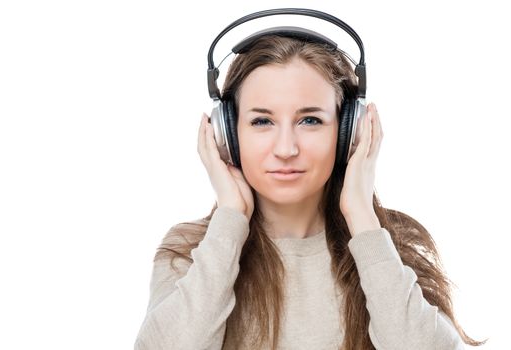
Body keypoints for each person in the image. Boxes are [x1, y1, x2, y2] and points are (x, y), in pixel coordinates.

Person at [134, 13, 486, 350]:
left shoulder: (392, 245)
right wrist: (231, 217)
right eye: (262, 122)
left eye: (310, 121)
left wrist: (362, 218)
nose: (286, 148)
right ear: (227, 134)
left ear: (350, 131)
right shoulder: (189, 249)